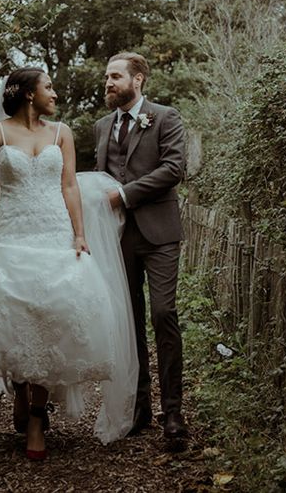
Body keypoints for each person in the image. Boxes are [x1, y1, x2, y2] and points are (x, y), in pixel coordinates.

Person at [0, 67, 137, 459]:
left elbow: (68, 186)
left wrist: (80, 234)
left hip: (54, 233)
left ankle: (36, 416)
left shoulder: (61, 133)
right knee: (15, 313)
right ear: (29, 94)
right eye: (49, 87)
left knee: (53, 315)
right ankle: (21, 387)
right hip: (11, 231)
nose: (56, 94)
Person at [94, 52, 188, 440]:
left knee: (163, 314)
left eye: (116, 76)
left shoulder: (165, 117)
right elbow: (98, 179)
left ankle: (174, 413)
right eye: (106, 77)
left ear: (139, 80)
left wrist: (124, 196)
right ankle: (140, 408)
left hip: (159, 234)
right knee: (127, 324)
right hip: (117, 238)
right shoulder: (100, 126)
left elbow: (173, 169)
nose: (108, 83)